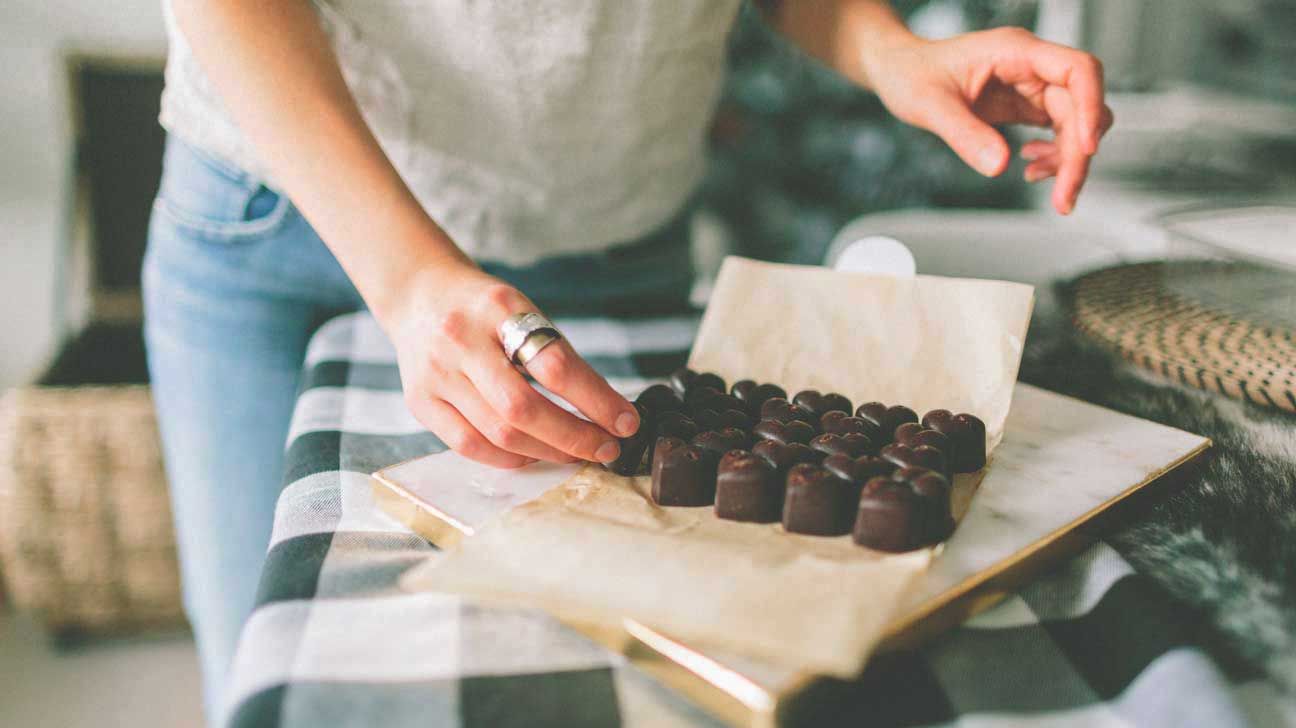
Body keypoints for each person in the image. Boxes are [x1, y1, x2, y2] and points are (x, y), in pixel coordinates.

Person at [146, 0, 1112, 721]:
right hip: (283, 216)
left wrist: (892, 51)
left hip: (614, 238)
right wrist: (405, 278)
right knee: (278, 670)